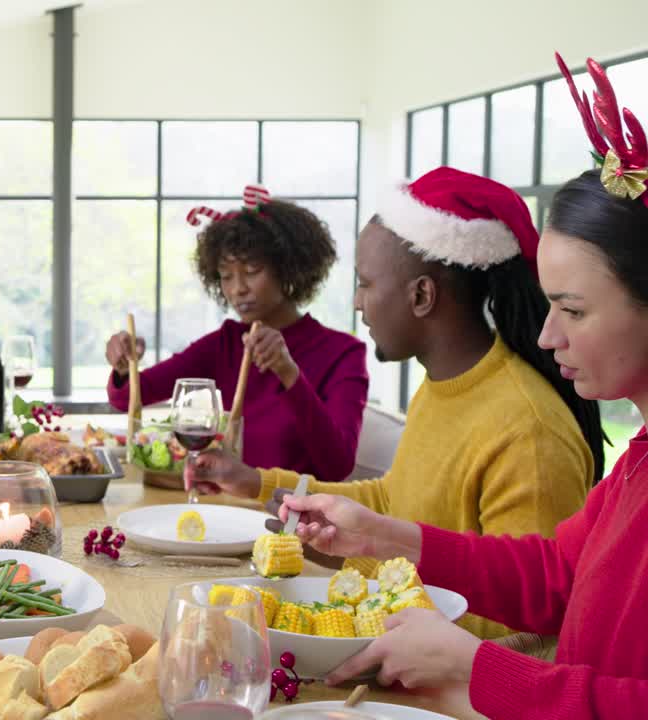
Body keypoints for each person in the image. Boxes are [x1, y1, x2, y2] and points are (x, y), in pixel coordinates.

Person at [263, 54, 648, 720]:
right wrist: (382, 537)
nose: (550, 335)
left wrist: (477, 670)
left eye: (575, 310)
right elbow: (554, 573)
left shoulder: (529, 421)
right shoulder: (635, 463)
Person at [194, 167, 604, 640]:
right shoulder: (445, 384)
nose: (357, 302)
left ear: (422, 295)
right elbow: (393, 500)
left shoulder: (528, 429)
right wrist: (258, 484)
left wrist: (366, 561)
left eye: (366, 283)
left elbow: (522, 626)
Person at [106, 185, 368, 483]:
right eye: (226, 276)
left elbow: (338, 465)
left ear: (289, 268)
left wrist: (289, 373)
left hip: (292, 520)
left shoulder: (343, 353)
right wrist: (124, 367)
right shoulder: (226, 344)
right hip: (227, 510)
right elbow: (126, 397)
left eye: (252, 271)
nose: (237, 289)